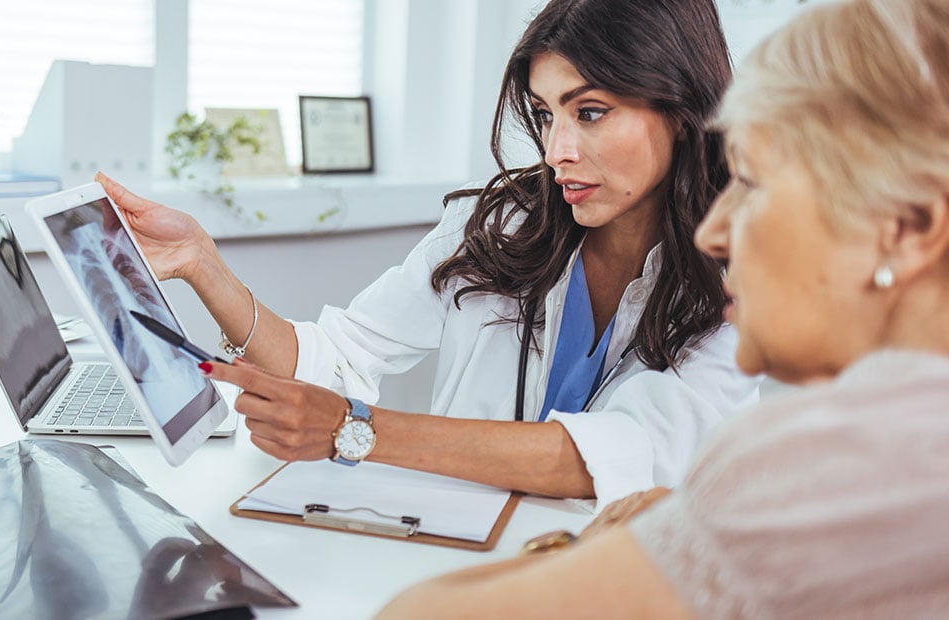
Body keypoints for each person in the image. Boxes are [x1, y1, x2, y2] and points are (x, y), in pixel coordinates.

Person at [378, 0, 949, 616]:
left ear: (910, 227)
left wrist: (620, 548)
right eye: (545, 116)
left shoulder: (832, 465)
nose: (716, 232)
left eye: (752, 184)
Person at [100, 0, 759, 506]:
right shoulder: (498, 225)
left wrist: (355, 431)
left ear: (680, 109)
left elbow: (614, 455)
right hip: (451, 553)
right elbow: (337, 358)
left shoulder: (746, 275)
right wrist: (201, 264)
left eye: (589, 112)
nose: (557, 150)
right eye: (544, 114)